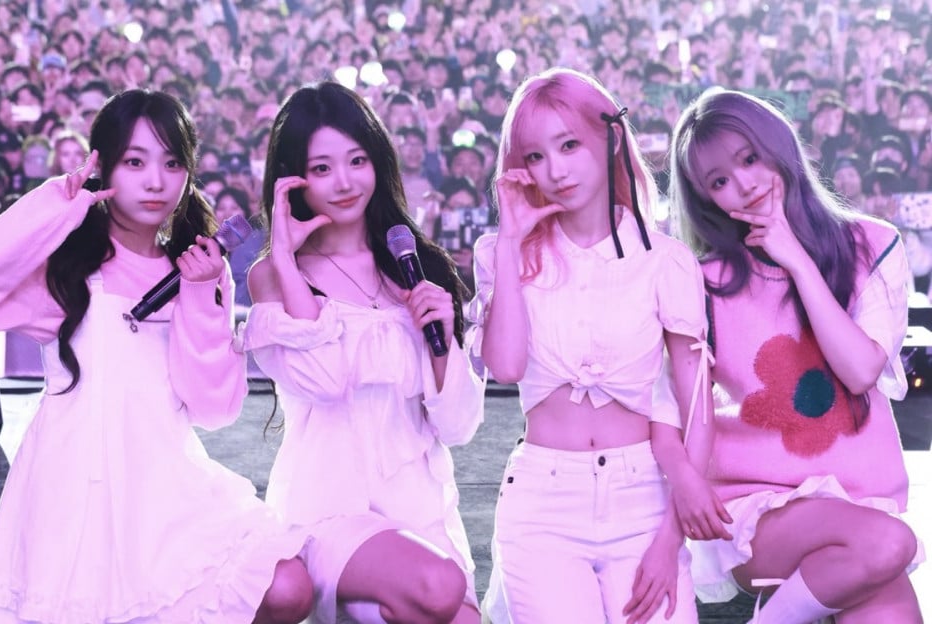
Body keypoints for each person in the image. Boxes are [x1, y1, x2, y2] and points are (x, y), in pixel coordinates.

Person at [0, 89, 311, 624]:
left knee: (288, 586)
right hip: (75, 498)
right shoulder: (62, 267)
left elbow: (215, 409)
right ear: (102, 165)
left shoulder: (201, 267)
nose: (156, 181)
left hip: (169, 490)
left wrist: (198, 295)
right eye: (135, 162)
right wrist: (49, 209)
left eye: (172, 163)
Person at [471, 67, 727, 624]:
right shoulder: (502, 253)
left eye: (569, 145)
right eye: (535, 156)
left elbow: (697, 408)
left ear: (609, 139)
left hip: (645, 497)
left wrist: (670, 540)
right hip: (542, 501)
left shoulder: (666, 261)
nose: (555, 170)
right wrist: (511, 242)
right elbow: (506, 366)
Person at [669, 88, 923, 623]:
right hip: (758, 511)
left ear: (778, 145)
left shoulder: (874, 245)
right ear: (706, 199)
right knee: (890, 545)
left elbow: (860, 370)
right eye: (718, 181)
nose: (743, 184)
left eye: (749, 158)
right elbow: (685, 411)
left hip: (860, 505)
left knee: (887, 582)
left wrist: (797, 261)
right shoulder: (705, 282)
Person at [241, 81, 485, 624]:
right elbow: (325, 380)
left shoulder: (417, 267)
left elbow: (458, 426)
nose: (345, 181)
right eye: (322, 168)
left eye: (357, 160)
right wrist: (286, 259)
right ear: (292, 179)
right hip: (329, 512)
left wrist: (441, 339)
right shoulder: (273, 278)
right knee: (438, 586)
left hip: (418, 510)